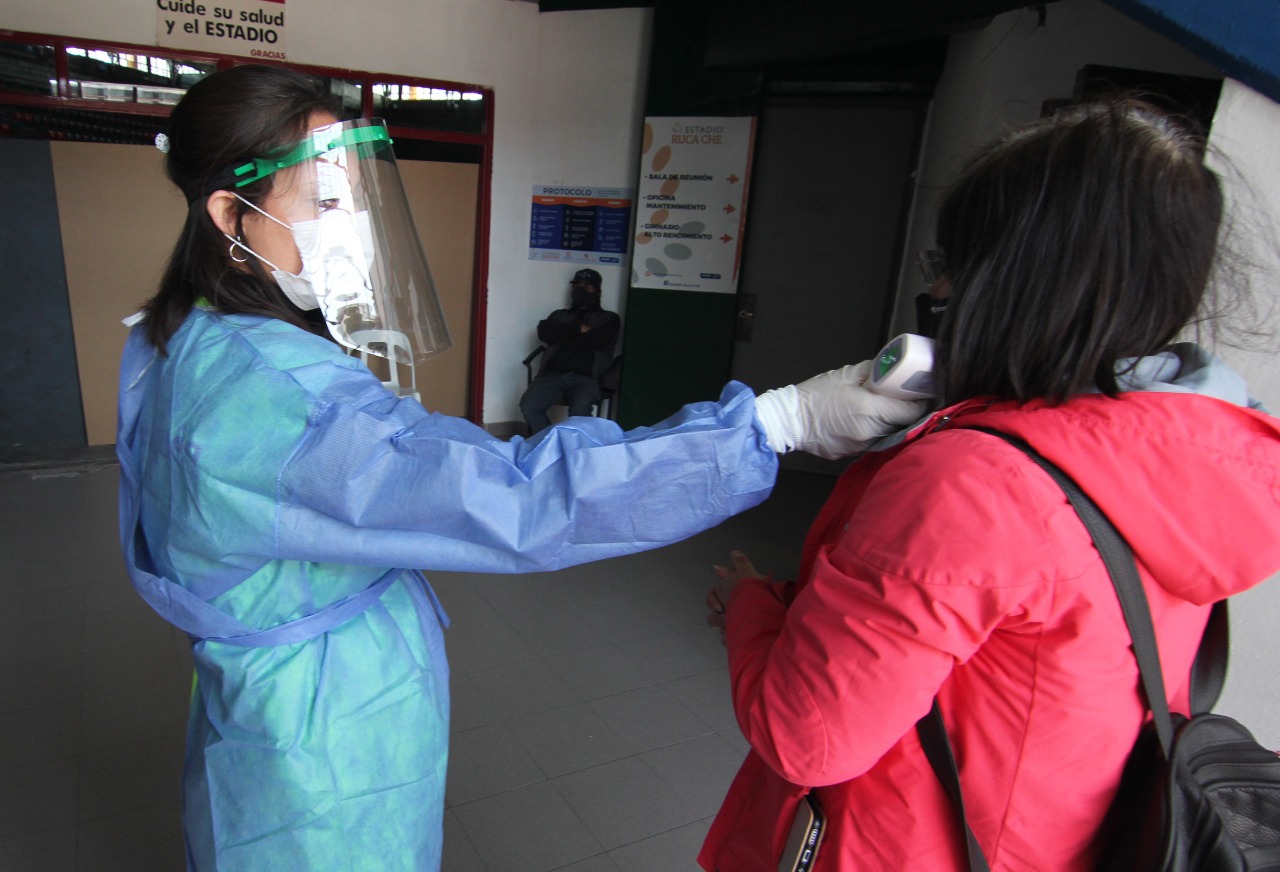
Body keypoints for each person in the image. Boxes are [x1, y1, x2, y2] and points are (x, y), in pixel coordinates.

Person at [115, 64, 927, 872]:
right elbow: (518, 495)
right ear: (232, 213)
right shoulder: (277, 396)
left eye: (356, 197)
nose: (353, 224)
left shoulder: (182, 338)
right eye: (328, 202)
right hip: (318, 746)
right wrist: (778, 422)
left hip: (264, 707)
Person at [699, 101, 1280, 871]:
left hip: (911, 847)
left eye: (951, 266)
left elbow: (808, 735)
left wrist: (751, 606)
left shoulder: (975, 479)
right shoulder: (1202, 451)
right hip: (1053, 839)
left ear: (1014, 281)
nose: (939, 292)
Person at [519, 267, 621, 433]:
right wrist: (581, 329)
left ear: (597, 291)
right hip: (551, 376)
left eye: (587, 286)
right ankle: (550, 445)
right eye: (577, 286)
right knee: (529, 406)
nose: (581, 290)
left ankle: (576, 451)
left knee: (579, 412)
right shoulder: (559, 315)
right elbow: (544, 332)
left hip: (587, 378)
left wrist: (564, 333)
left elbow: (600, 341)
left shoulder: (609, 318)